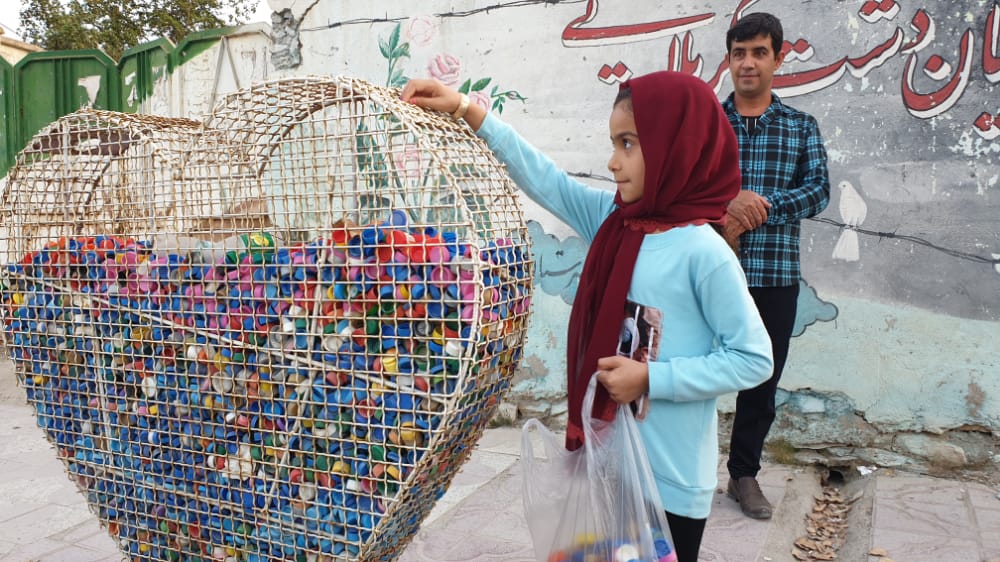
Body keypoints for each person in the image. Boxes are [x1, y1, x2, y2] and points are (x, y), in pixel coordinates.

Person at [402, 71, 773, 562]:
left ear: (675, 147)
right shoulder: (614, 221)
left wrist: (651, 378)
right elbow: (547, 180)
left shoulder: (704, 253)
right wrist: (468, 111)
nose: (612, 161)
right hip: (607, 461)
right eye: (613, 143)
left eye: (628, 144)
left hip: (671, 482)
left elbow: (753, 358)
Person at [721, 12, 831, 520]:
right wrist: (726, 206)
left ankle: (743, 474)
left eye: (759, 52)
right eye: (739, 53)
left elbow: (818, 192)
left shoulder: (800, 126)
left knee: (760, 383)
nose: (748, 63)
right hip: (706, 272)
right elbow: (679, 185)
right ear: (729, 60)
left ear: (778, 58)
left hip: (773, 275)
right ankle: (671, 469)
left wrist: (759, 205)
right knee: (681, 368)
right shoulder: (706, 124)